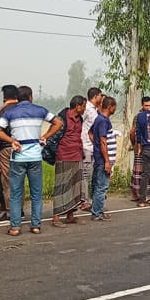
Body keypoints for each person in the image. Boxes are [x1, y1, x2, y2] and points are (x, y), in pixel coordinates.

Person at [0, 86, 62, 236]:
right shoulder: (40, 110)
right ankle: (36, 225)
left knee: (16, 193)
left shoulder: (10, 112)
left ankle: (15, 227)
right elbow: (58, 123)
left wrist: (11, 140)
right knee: (36, 193)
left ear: (17, 98)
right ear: (31, 97)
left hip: (18, 156)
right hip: (35, 156)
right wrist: (45, 136)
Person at [53, 96, 88, 228]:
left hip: (77, 155)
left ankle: (70, 215)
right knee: (61, 186)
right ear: (77, 106)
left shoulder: (80, 119)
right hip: (64, 155)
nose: (84, 109)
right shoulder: (62, 118)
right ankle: (56, 217)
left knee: (75, 187)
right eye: (83, 106)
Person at [0, 84, 19, 224]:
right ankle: (19, 210)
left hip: (6, 149)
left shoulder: (1, 111)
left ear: (4, 97)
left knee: (8, 182)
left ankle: (9, 213)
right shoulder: (23, 109)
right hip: (23, 149)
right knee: (19, 181)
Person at [89, 95, 117, 221]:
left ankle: (96, 210)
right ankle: (97, 212)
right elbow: (103, 141)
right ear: (110, 107)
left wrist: (95, 144)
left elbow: (90, 132)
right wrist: (107, 161)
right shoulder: (103, 121)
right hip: (102, 159)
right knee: (102, 186)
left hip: (99, 157)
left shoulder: (99, 119)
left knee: (97, 185)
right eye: (114, 107)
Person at [80, 87, 104, 209]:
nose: (102, 98)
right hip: (86, 145)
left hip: (93, 146)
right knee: (85, 174)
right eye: (100, 96)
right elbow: (80, 124)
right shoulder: (87, 109)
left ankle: (90, 198)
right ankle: (84, 201)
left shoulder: (95, 110)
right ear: (95, 96)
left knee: (92, 174)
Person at [129, 95, 150, 202]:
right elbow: (132, 132)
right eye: (145, 105)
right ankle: (138, 194)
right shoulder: (139, 117)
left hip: (147, 147)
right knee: (139, 172)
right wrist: (134, 144)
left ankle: (139, 193)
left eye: (149, 105)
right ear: (142, 105)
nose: (147, 107)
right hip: (140, 147)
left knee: (143, 171)